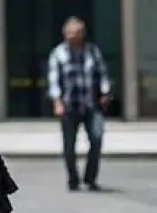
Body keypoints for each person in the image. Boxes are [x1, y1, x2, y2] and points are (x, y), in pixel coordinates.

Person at [47, 16, 112, 191]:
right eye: (68, 33)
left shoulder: (92, 52)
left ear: (82, 34)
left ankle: (90, 178)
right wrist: (57, 102)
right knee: (69, 146)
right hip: (69, 106)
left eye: (75, 33)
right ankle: (73, 179)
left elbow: (102, 73)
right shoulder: (58, 54)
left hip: (91, 105)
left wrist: (105, 92)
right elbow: (54, 80)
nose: (71, 36)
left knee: (97, 139)